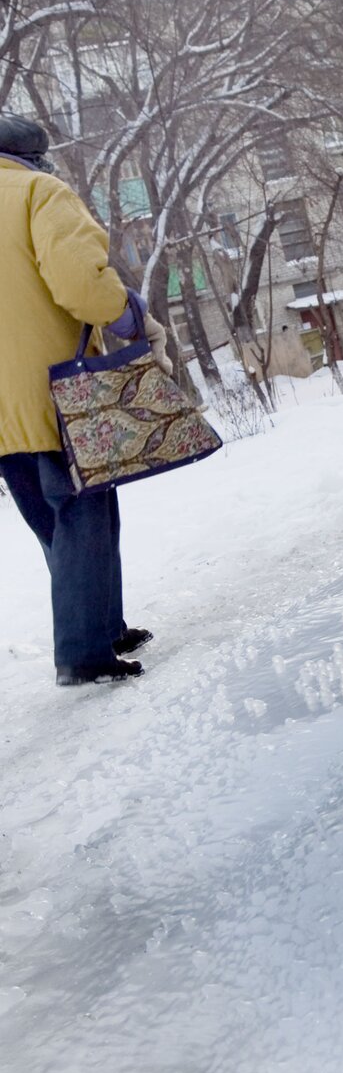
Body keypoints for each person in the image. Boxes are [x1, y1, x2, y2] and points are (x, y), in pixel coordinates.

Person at [0, 113, 166, 686]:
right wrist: (129, 316)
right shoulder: (38, 193)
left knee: (58, 522)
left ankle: (101, 625)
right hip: (50, 391)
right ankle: (84, 655)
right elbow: (78, 281)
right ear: (30, 158)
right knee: (83, 511)